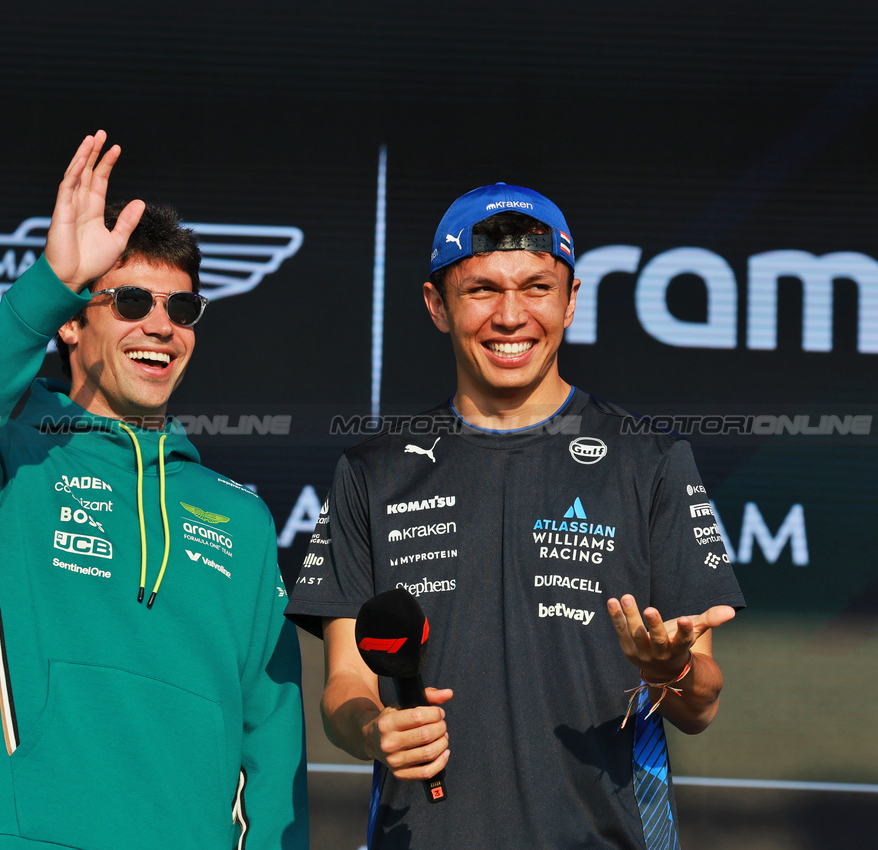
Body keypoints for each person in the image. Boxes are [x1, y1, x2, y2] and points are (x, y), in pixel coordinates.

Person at [285, 182, 745, 848]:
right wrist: (372, 729)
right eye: (481, 290)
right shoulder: (372, 470)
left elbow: (700, 705)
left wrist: (667, 670)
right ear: (436, 305)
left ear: (571, 300)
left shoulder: (650, 460)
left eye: (536, 288)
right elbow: (344, 687)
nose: (510, 316)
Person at [0, 132, 308, 850]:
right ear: (72, 321)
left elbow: (271, 745)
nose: (161, 326)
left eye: (182, 308)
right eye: (132, 301)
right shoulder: (7, 461)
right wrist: (52, 281)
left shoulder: (240, 517)